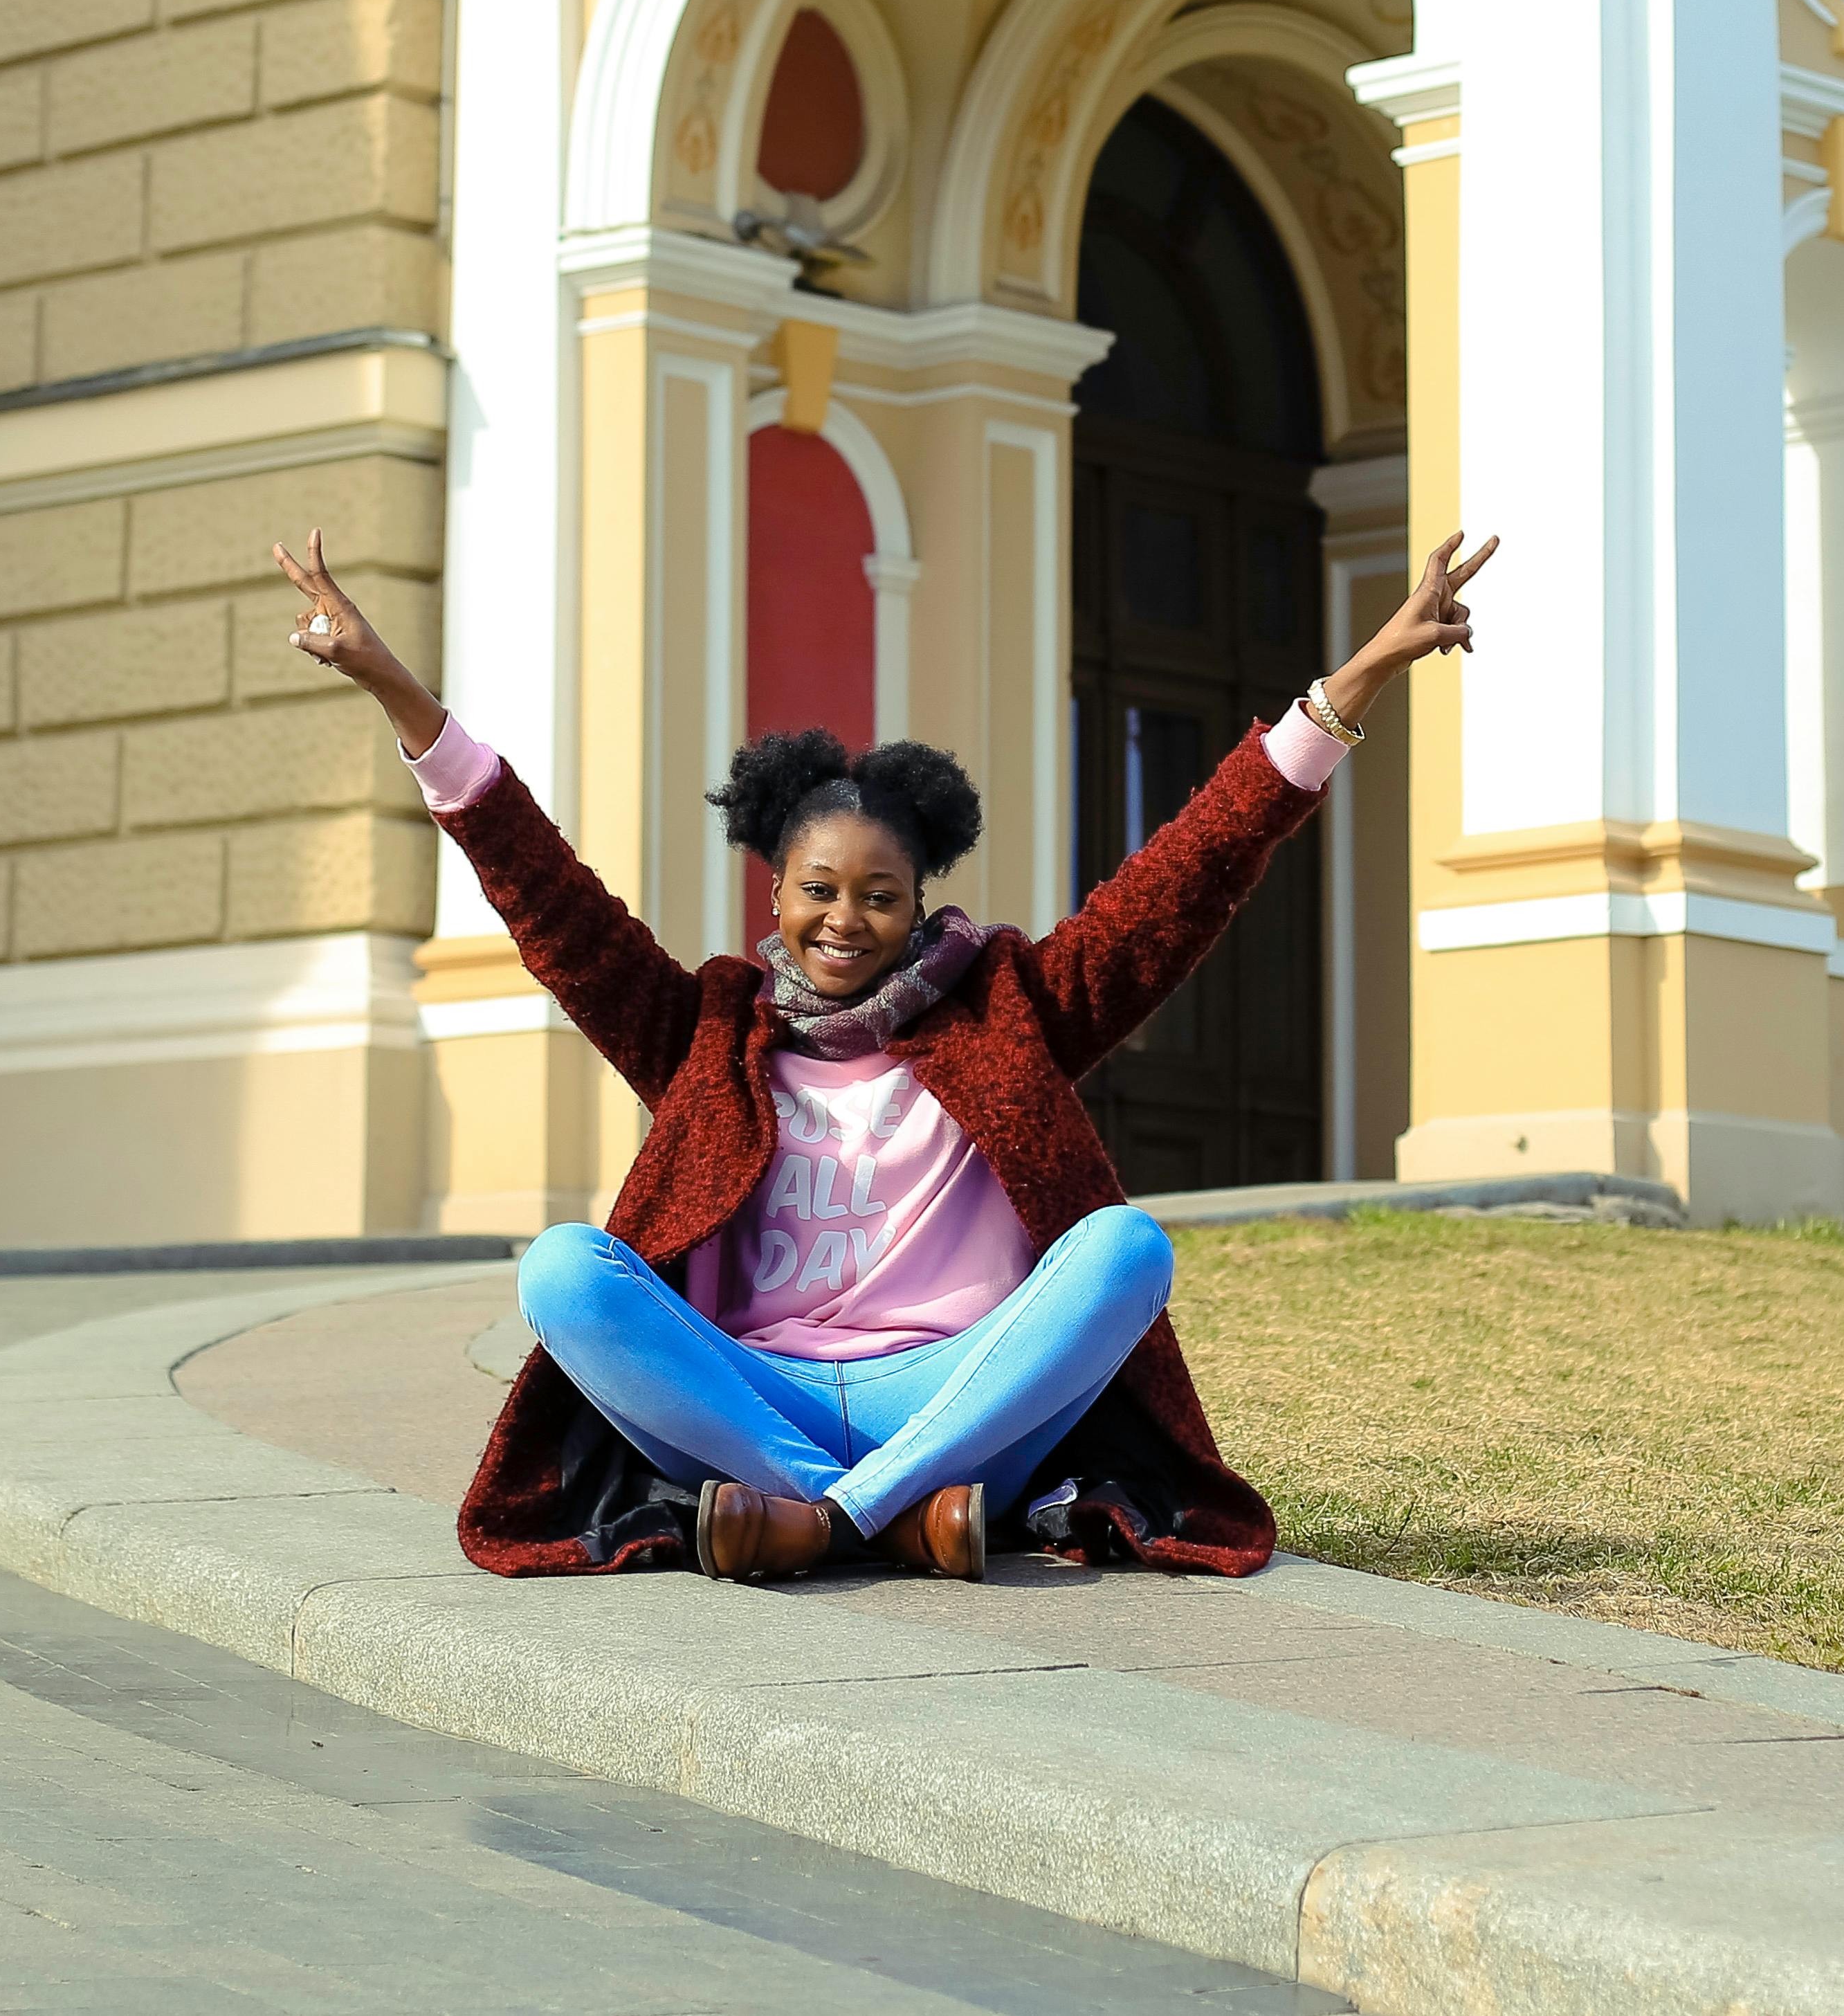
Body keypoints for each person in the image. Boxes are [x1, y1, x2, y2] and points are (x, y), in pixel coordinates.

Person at [267, 521, 1499, 1583]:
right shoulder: (703, 1028)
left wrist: (1355, 688)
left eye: (878, 897)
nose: (844, 922)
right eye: (819, 892)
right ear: (777, 890)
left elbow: (1189, 877)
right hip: (754, 1401)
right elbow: (546, 896)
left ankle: (831, 1526)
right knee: (562, 1273)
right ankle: (887, 1520)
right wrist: (397, 693)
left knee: (1128, 1248)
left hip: (960, 1398)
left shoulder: (1013, 1004)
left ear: (918, 904)